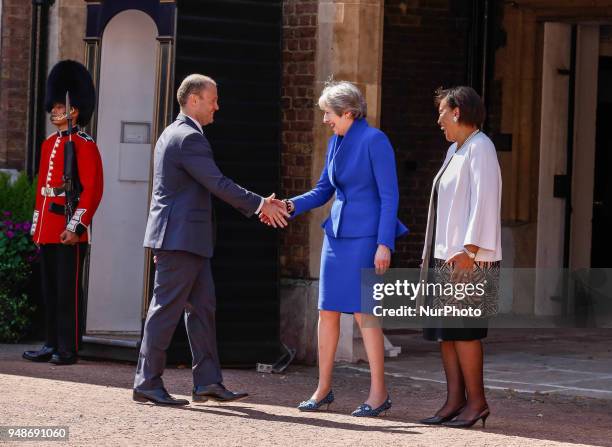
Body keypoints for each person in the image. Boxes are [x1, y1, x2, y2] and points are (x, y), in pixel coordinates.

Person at [132, 74, 288, 406]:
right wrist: (261, 203)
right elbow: (218, 183)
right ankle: (146, 381)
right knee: (165, 311)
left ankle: (207, 382)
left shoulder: (177, 134)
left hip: (186, 239)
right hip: (180, 239)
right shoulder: (188, 138)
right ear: (193, 100)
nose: (217, 106)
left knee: (202, 310)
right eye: (213, 99)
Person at [264, 81, 408, 417]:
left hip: (366, 238)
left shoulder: (375, 140)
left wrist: (384, 243)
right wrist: (288, 205)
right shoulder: (335, 142)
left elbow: (390, 196)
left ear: (349, 112)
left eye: (329, 113)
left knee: (364, 313)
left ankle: (378, 393)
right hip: (336, 237)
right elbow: (322, 190)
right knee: (326, 311)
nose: (325, 119)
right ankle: (323, 388)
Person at [419, 86, 502, 428]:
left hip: (469, 260)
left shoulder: (481, 148)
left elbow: (485, 200)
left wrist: (469, 252)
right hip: (447, 257)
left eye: (441, 112)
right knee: (447, 333)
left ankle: (477, 403)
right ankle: (454, 401)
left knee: (465, 332)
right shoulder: (456, 149)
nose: (438, 120)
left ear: (457, 112)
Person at [22, 60, 104, 366]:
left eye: (59, 106)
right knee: (50, 289)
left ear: (74, 109)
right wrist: (37, 226)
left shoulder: (84, 145)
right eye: (53, 107)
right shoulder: (48, 145)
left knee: (67, 291)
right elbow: (42, 189)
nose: (54, 112)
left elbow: (92, 190)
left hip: (68, 227)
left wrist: (76, 226)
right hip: (48, 225)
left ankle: (68, 348)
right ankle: (51, 342)